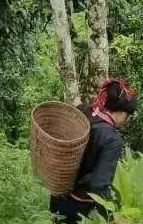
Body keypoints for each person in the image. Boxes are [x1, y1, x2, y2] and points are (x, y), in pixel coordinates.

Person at [49, 78, 138, 222]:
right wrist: (112, 214)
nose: (127, 121)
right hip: (79, 209)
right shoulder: (112, 139)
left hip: (58, 197)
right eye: (128, 117)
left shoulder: (82, 112)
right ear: (122, 113)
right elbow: (99, 185)